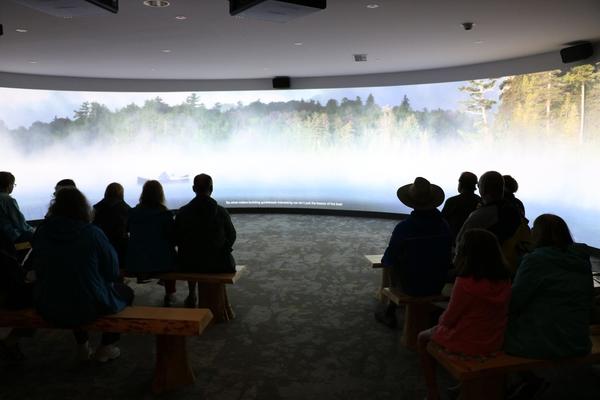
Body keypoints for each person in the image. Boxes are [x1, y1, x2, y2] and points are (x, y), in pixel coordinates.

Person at [32, 188, 133, 362]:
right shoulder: (92, 233)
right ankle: (106, 347)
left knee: (69, 287)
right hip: (87, 306)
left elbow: (38, 267)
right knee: (126, 293)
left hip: (48, 302)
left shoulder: (42, 232)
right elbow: (112, 271)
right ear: (82, 208)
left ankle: (83, 347)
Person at [417, 229, 511, 400]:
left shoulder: (465, 282)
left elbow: (450, 319)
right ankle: (462, 387)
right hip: (493, 342)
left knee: (422, 338)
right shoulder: (504, 279)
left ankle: (432, 393)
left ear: (465, 253)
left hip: (467, 343)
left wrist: (439, 323)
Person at [504, 214, 593, 359]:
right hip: (578, 343)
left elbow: (514, 302)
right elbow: (588, 297)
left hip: (541, 343)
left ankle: (523, 379)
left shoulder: (534, 261)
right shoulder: (581, 259)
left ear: (539, 235)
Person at [376, 177, 452, 328]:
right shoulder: (444, 226)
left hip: (411, 285)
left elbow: (388, 259)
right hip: (438, 283)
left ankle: (390, 310)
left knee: (392, 262)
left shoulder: (404, 228)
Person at [175, 174, 236, 307]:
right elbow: (232, 236)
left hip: (187, 264)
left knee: (191, 253)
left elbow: (176, 237)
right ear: (212, 188)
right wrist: (224, 250)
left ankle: (192, 293)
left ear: (193, 189)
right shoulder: (221, 211)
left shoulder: (183, 212)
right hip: (218, 263)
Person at [456, 171, 528, 273]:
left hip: (484, 270)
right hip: (512, 267)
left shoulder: (482, 214)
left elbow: (461, 241)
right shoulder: (515, 210)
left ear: (483, 189)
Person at [127, 180, 176, 306]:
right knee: (171, 251)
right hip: (162, 262)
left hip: (137, 260)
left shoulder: (133, 213)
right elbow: (172, 237)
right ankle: (169, 293)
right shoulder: (165, 214)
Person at [93, 183, 131, 269]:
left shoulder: (97, 208)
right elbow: (128, 228)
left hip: (100, 244)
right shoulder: (126, 209)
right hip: (120, 246)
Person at [441, 172, 481, 239]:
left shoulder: (452, 201)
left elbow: (442, 222)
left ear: (461, 183)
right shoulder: (480, 201)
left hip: (456, 242)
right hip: (476, 240)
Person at [0, 171, 34, 243]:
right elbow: (20, 223)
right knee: (33, 238)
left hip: (3, 240)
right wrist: (34, 230)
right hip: (12, 239)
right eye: (13, 184)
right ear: (9, 185)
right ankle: (23, 253)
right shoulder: (7, 199)